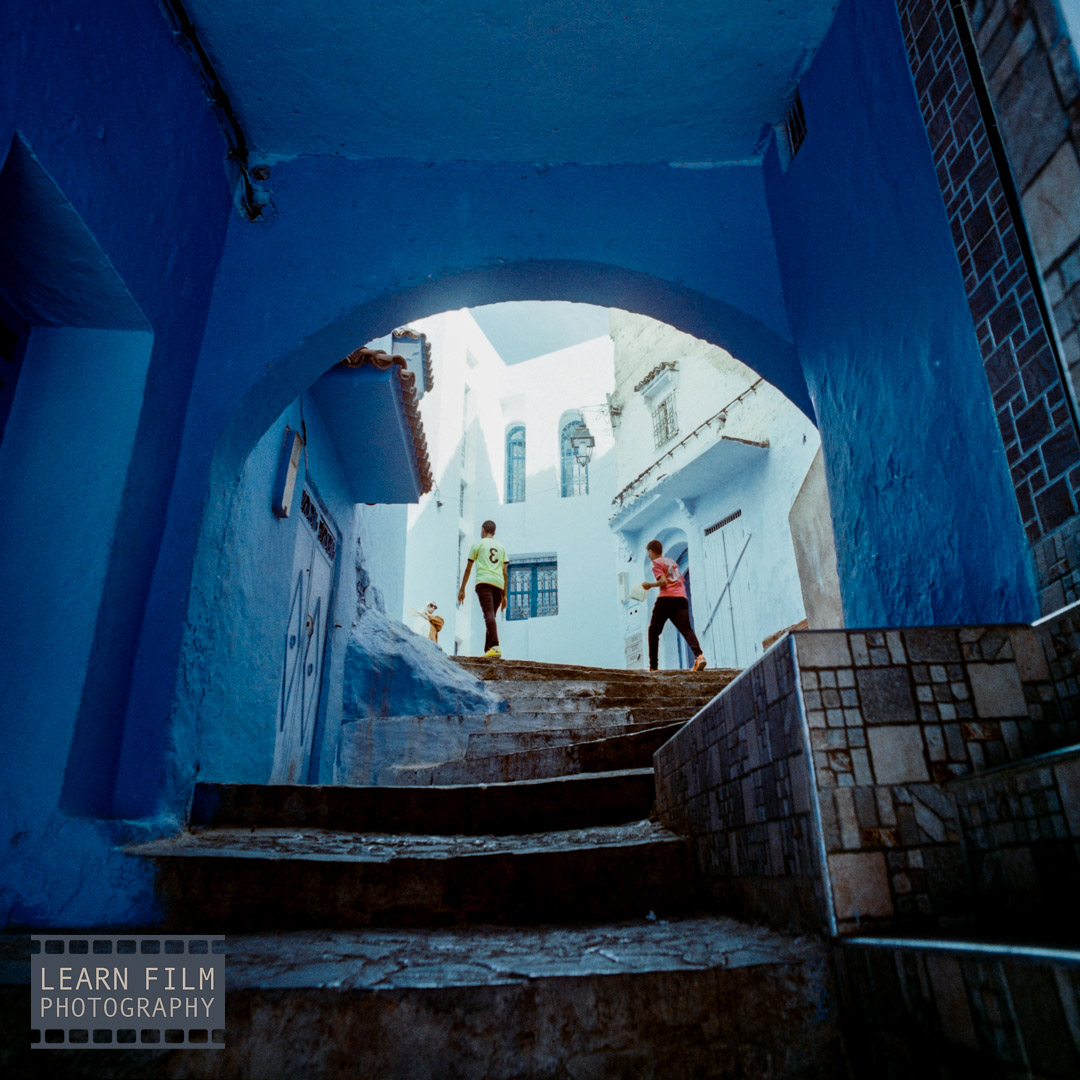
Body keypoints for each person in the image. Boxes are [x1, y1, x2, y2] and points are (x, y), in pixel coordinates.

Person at [642, 539, 707, 672]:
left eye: (648, 554)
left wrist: (650, 585)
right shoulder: (672, 562)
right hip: (681, 598)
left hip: (666, 599)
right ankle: (699, 656)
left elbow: (663, 581)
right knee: (686, 629)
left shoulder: (655, 563)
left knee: (653, 631)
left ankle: (653, 667)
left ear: (651, 552)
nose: (649, 557)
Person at [458, 519, 508, 657]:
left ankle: (495, 646)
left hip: (484, 582)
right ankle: (488, 651)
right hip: (499, 585)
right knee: (491, 615)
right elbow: (505, 572)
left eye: (481, 530)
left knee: (488, 614)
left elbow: (468, 569)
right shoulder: (501, 547)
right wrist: (505, 595)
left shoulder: (478, 545)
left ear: (484, 530)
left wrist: (462, 589)